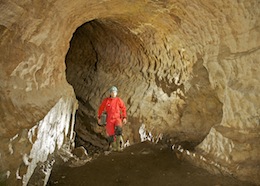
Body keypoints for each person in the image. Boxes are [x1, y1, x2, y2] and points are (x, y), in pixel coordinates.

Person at [97, 86, 127, 151]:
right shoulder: (106, 101)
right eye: (112, 92)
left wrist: (124, 117)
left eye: (115, 92)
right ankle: (114, 148)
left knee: (119, 129)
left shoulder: (118, 100)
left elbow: (123, 108)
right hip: (109, 119)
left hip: (117, 118)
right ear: (110, 93)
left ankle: (119, 146)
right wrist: (99, 117)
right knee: (111, 134)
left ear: (116, 93)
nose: (113, 93)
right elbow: (101, 108)